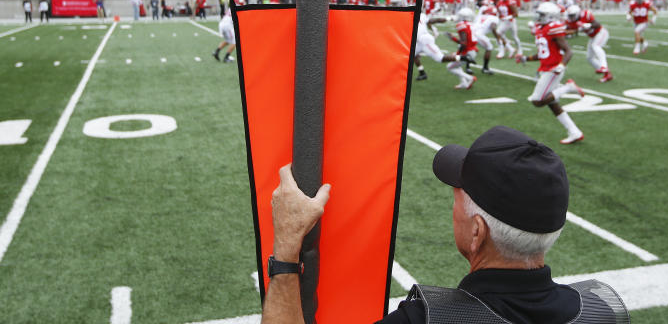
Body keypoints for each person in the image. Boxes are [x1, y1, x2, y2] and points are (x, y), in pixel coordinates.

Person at [261, 126, 628, 324]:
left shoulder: (426, 320)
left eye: (457, 195)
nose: (452, 205)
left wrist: (287, 247)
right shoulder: (601, 310)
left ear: (476, 231)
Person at [516, 3, 585, 145]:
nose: (538, 16)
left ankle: (568, 87)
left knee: (537, 101)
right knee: (552, 104)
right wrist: (526, 58)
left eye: (541, 14)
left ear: (550, 16)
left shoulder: (553, 28)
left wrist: (561, 65)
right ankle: (574, 132)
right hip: (547, 67)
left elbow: (568, 51)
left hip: (553, 69)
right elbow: (543, 53)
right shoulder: (542, 28)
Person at [564, 4, 612, 83]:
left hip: (601, 33)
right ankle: (607, 74)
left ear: (578, 13)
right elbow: (569, 31)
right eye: (570, 15)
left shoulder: (585, 14)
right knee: (590, 58)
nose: (571, 17)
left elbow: (597, 25)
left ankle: (604, 66)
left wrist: (589, 25)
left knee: (595, 46)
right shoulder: (570, 21)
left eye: (572, 15)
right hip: (592, 36)